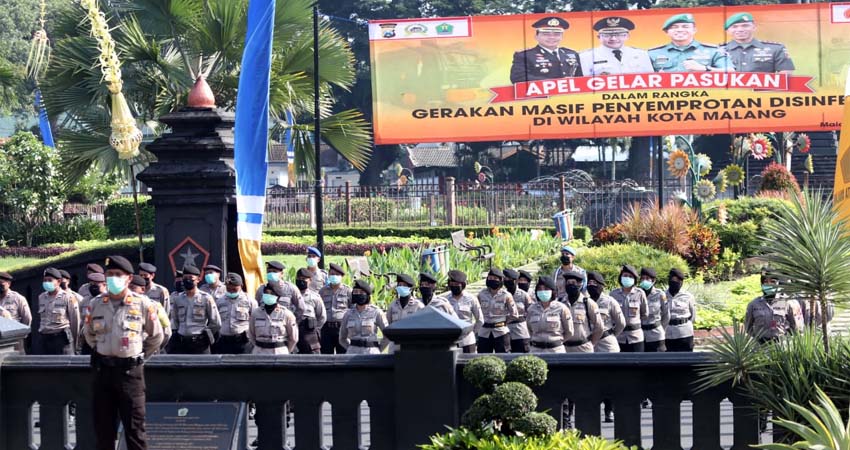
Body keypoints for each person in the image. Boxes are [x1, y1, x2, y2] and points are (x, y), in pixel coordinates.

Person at [83, 255, 164, 450]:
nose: (113, 278)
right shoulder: (96, 304)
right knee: (103, 430)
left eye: (118, 274)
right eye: (109, 274)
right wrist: (103, 349)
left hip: (130, 374)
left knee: (135, 430)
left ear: (128, 278)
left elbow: (156, 336)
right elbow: (89, 334)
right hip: (103, 372)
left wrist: (139, 354)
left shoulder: (142, 303)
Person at [587, 271, 623, 423]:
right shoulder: (584, 301)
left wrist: (611, 334)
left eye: (595, 284)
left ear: (601, 286)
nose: (592, 286)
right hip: (589, 344)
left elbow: (621, 323)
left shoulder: (609, 302)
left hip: (607, 343)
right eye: (589, 283)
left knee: (609, 379)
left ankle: (609, 411)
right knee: (591, 380)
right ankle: (592, 411)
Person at [509, 16, 582, 84]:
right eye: (546, 34)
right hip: (540, 97)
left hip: (570, 97)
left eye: (556, 34)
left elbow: (580, 78)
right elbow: (518, 79)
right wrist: (555, 83)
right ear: (536, 36)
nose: (552, 37)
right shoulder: (525, 55)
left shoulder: (572, 54)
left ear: (562, 37)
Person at [649, 13, 731, 73]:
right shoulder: (653, 53)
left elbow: (731, 71)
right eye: (674, 27)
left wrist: (705, 69)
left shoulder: (713, 51)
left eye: (685, 26)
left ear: (694, 30)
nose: (680, 30)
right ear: (667, 32)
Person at [169, 265, 221, 354]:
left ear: (197, 280)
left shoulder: (206, 298)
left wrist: (204, 335)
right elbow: (176, 321)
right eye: (185, 278)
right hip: (182, 343)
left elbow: (216, 322)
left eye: (191, 278)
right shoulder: (178, 299)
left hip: (200, 344)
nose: (187, 280)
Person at [721, 12, 794, 73]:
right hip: (729, 90)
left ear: (754, 27)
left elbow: (786, 73)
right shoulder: (719, 50)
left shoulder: (775, 48)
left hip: (763, 90)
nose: (740, 29)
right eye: (734, 27)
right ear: (728, 31)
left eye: (745, 26)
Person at [579, 16, 653, 76]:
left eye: (618, 34)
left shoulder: (641, 54)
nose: (613, 38)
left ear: (627, 36)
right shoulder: (586, 57)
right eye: (607, 35)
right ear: (599, 37)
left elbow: (651, 79)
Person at [34, 267, 80, 355]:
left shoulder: (68, 297)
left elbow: (75, 321)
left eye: (50, 280)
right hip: (45, 339)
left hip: (62, 339)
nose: (47, 283)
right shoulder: (41, 297)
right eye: (45, 280)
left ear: (58, 282)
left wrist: (74, 340)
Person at [744, 268, 797, 344]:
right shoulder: (753, 304)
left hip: (782, 346)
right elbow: (748, 328)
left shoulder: (787, 303)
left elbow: (796, 328)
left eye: (772, 281)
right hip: (761, 347)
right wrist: (759, 339)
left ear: (778, 284)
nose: (769, 284)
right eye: (766, 282)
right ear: (762, 285)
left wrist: (786, 340)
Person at [339, 280, 389, 355]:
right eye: (355, 292)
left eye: (361, 292)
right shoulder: (348, 314)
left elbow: (387, 335)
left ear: (367, 295)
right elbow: (342, 338)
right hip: (352, 353)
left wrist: (378, 349)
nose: (358, 294)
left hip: (371, 353)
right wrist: (350, 348)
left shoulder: (376, 312)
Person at [212, 273, 257, 354]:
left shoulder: (250, 301)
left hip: (243, 341)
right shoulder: (219, 301)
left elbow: (255, 321)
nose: (231, 292)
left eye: (234, 289)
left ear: (241, 286)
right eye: (228, 289)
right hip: (224, 341)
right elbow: (216, 321)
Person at [526, 276, 573, 353]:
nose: (542, 291)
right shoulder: (531, 309)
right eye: (540, 289)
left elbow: (569, 332)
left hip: (556, 350)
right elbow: (530, 330)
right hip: (536, 350)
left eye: (546, 289)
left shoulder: (561, 308)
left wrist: (555, 342)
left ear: (553, 291)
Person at [248, 283, 299, 354]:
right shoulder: (256, 313)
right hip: (259, 352)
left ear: (277, 297)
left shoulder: (287, 314)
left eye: (271, 294)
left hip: (280, 352)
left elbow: (293, 338)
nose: (268, 296)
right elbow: (251, 335)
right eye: (266, 293)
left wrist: (285, 350)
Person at [477, 268, 518, 353]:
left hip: (501, 331)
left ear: (500, 280)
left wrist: (504, 322)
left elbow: (514, 314)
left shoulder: (506, 295)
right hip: (484, 332)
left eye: (495, 279)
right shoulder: (481, 294)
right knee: (482, 358)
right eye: (490, 278)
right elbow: (477, 311)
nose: (492, 281)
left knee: (504, 357)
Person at [561, 270, 603, 353]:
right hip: (564, 349)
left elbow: (599, 327)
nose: (570, 285)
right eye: (568, 282)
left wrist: (591, 343)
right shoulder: (560, 303)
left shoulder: (588, 303)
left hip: (583, 348)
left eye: (573, 282)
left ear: (579, 284)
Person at [610, 265, 648, 352]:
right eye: (625, 276)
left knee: (638, 363)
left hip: (636, 337)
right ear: (621, 278)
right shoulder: (613, 294)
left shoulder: (640, 293)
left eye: (630, 277)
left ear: (634, 280)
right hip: (619, 336)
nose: (627, 278)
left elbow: (644, 314)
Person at [444, 270, 483, 353]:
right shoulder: (445, 300)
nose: (454, 286)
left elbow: (480, 320)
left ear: (463, 285)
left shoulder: (471, 299)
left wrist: (470, 332)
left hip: (467, 341)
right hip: (451, 341)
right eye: (452, 284)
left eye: (457, 284)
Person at [318, 263, 351, 354]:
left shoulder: (348, 291)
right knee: (326, 355)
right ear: (328, 275)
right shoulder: (322, 291)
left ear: (342, 277)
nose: (334, 276)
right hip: (326, 328)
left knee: (343, 354)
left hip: (342, 327)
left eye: (337, 275)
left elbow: (353, 309)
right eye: (332, 274)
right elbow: (319, 309)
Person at [386, 273, 424, 352]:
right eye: (399, 285)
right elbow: (388, 324)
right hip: (395, 347)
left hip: (412, 347)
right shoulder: (392, 306)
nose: (401, 287)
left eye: (404, 285)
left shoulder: (418, 306)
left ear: (410, 288)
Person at [294, 268, 326, 354]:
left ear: (310, 280)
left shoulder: (315, 297)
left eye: (304, 279)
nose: (301, 281)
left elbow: (322, 317)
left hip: (310, 334)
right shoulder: (290, 296)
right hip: (293, 333)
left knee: (313, 360)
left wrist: (314, 329)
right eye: (299, 279)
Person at [665, 268, 696, 352]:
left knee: (686, 360)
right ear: (669, 280)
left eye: (679, 281)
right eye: (673, 280)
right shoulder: (662, 296)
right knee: (668, 361)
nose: (676, 283)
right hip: (667, 333)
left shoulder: (688, 296)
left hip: (685, 333)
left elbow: (693, 316)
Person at [639, 268, 669, 352]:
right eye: (643, 278)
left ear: (653, 280)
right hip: (640, 335)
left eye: (647, 278)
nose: (645, 280)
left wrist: (660, 328)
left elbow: (666, 315)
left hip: (656, 334)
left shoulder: (660, 294)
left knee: (658, 362)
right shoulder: (637, 293)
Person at [504, 269, 532, 353]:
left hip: (520, 331)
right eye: (506, 279)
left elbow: (531, 312)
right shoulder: (502, 294)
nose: (507, 281)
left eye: (510, 279)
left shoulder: (524, 295)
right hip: (505, 331)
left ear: (516, 281)